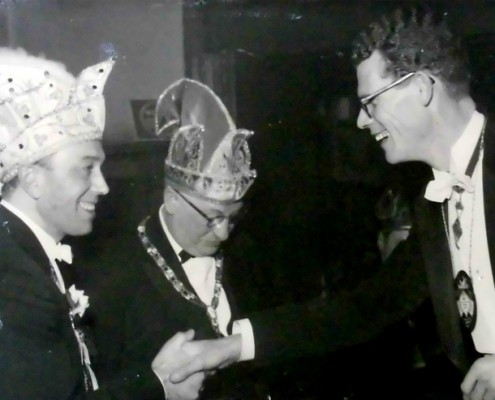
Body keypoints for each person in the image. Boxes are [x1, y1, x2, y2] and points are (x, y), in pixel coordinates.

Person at [170, 6, 495, 399]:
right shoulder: (433, 202)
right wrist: (233, 346)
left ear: (422, 88)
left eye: (370, 102)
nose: (361, 121)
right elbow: (369, 307)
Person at [0, 48, 204, 400]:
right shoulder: (15, 278)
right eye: (86, 168)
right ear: (32, 178)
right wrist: (159, 385)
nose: (104, 186)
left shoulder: (27, 255)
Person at [87, 78, 264, 399]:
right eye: (212, 217)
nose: (224, 233)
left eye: (233, 217)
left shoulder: (250, 253)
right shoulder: (114, 273)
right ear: (172, 200)